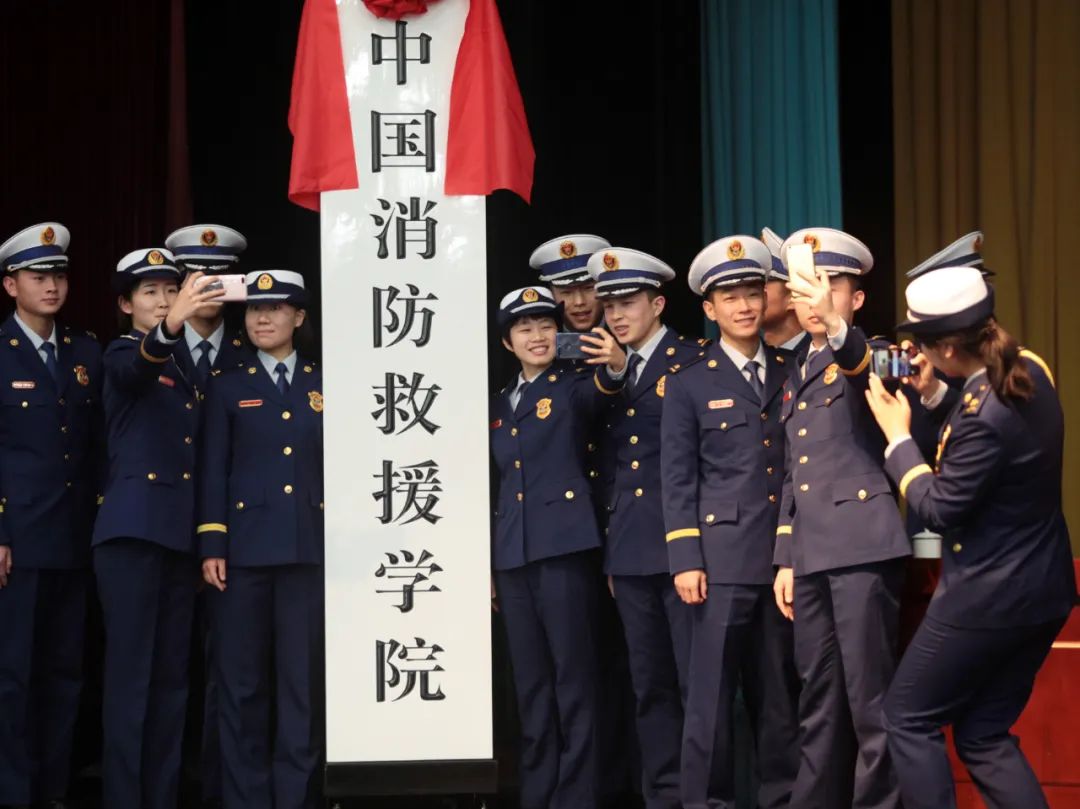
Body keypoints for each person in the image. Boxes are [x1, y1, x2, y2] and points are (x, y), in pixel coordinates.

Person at [863, 266, 1076, 809]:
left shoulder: (985, 413)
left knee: (907, 717)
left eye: (922, 345)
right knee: (982, 733)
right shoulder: (1027, 368)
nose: (915, 353)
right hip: (1043, 591)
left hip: (987, 596)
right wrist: (936, 393)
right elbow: (986, 435)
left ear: (947, 350)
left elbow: (939, 508)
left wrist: (897, 438)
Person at [771, 227, 909, 809]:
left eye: (827, 287)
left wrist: (835, 326)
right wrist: (785, 557)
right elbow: (793, 472)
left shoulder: (877, 352)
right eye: (804, 289)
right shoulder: (797, 366)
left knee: (870, 700)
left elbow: (874, 371)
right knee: (818, 699)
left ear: (856, 297)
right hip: (810, 554)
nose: (812, 299)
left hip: (861, 546)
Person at [662, 235, 800, 809]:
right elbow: (677, 477)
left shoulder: (793, 369)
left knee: (780, 699)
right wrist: (685, 559)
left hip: (781, 563)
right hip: (718, 565)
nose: (744, 306)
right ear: (709, 309)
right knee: (711, 701)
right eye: (730, 297)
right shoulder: (689, 381)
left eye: (752, 293)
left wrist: (791, 549)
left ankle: (784, 800)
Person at [91, 249, 224, 809]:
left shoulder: (187, 367)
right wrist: (172, 327)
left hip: (176, 537)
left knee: (172, 682)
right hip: (132, 535)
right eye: (150, 292)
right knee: (132, 680)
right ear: (126, 304)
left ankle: (161, 796)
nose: (166, 300)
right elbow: (137, 369)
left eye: (172, 290)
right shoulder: (122, 351)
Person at [489, 286, 626, 809]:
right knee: (530, 682)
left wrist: (615, 365)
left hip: (565, 550)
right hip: (512, 556)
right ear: (508, 342)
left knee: (574, 678)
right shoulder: (498, 403)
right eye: (524, 329)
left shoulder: (573, 386)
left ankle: (577, 795)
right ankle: (538, 791)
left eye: (545, 325)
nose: (537, 336)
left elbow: (605, 391)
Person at [197, 270, 323, 809]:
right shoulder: (228, 384)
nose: (263, 318)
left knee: (301, 685)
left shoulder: (325, 382)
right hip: (242, 555)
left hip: (307, 551)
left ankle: (296, 797)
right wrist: (212, 544)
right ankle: (245, 798)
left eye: (275, 309)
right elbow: (213, 469)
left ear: (299, 316)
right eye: (253, 309)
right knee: (242, 684)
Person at [583, 248, 700, 809]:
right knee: (649, 685)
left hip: (683, 549)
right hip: (629, 549)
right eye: (609, 306)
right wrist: (612, 554)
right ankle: (664, 797)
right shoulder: (604, 372)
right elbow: (605, 467)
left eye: (628, 303)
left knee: (696, 683)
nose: (616, 315)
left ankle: (704, 795)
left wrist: (696, 550)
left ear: (657, 304)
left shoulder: (692, 360)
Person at [0, 223, 102, 809]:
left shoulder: (84, 350)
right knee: (16, 675)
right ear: (10, 284)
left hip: (74, 537)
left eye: (59, 275)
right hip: (18, 540)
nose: (52, 286)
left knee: (66, 674)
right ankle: (17, 793)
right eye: (38, 276)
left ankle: (55, 792)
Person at [165, 223, 250, 809]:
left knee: (230, 671)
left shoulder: (251, 352)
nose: (211, 287)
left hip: (234, 538)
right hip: (163, 530)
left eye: (221, 276)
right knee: (162, 669)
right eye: (199, 276)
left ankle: (221, 788)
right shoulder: (153, 347)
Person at [530, 234, 609, 333]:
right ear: (551, 294)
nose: (579, 302)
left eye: (588, 288)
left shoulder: (626, 333)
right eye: (566, 292)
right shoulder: (541, 339)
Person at [760, 227, 810, 358]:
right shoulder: (750, 360)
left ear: (793, 296)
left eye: (763, 286)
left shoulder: (816, 357)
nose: (751, 297)